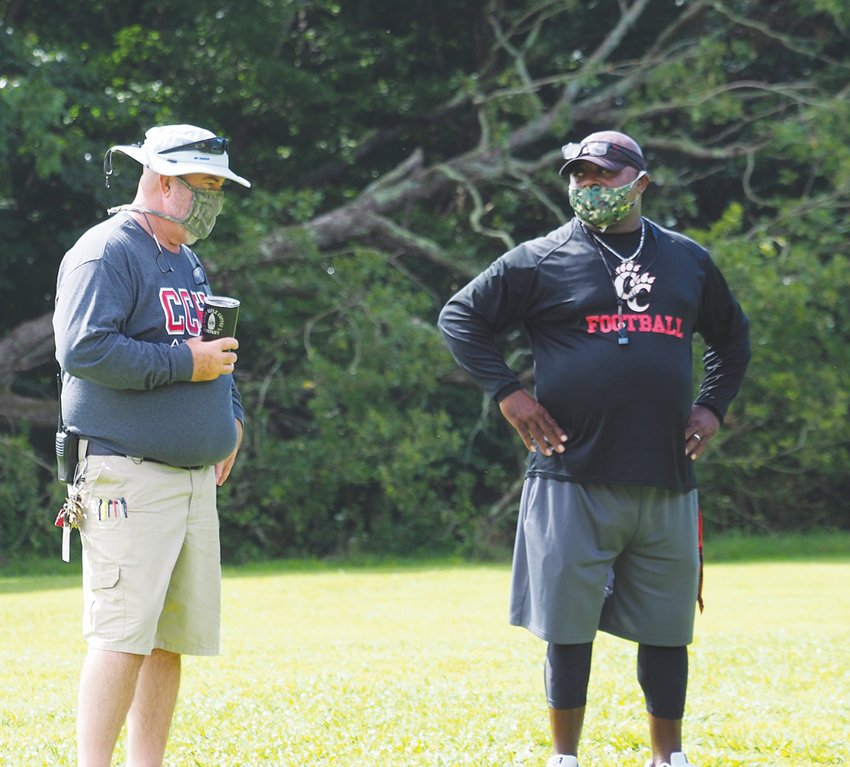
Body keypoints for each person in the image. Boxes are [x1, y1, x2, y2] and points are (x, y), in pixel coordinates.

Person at [438, 130, 750, 767]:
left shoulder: (687, 260)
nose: (588, 188)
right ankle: (566, 757)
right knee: (567, 625)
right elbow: (460, 317)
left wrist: (712, 404)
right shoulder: (542, 258)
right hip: (570, 474)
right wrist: (508, 392)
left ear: (640, 183)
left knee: (666, 629)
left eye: (603, 177)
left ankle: (669, 756)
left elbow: (732, 337)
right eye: (578, 177)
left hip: (665, 475)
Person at [53, 124, 251, 767]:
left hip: (191, 482)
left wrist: (231, 417)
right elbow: (83, 349)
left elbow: (213, 352)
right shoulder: (107, 251)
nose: (214, 201)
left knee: (168, 640)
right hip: (127, 476)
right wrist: (181, 365)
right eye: (205, 187)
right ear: (162, 182)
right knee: (122, 637)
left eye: (221, 187)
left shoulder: (188, 258)